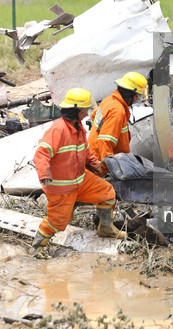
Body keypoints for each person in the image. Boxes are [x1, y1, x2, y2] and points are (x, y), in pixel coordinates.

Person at [31, 88, 125, 257]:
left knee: (107, 192)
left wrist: (93, 164)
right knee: (57, 222)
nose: (87, 113)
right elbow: (41, 153)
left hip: (80, 180)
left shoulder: (78, 127)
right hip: (62, 188)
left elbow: (85, 150)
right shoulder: (58, 130)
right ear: (77, 110)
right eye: (86, 109)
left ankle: (105, 228)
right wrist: (44, 174)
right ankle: (37, 248)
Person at [88, 72, 148, 174]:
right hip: (102, 166)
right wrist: (112, 168)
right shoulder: (117, 111)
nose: (137, 99)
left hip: (94, 157)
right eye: (136, 95)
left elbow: (94, 117)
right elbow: (105, 141)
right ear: (129, 94)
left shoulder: (108, 100)